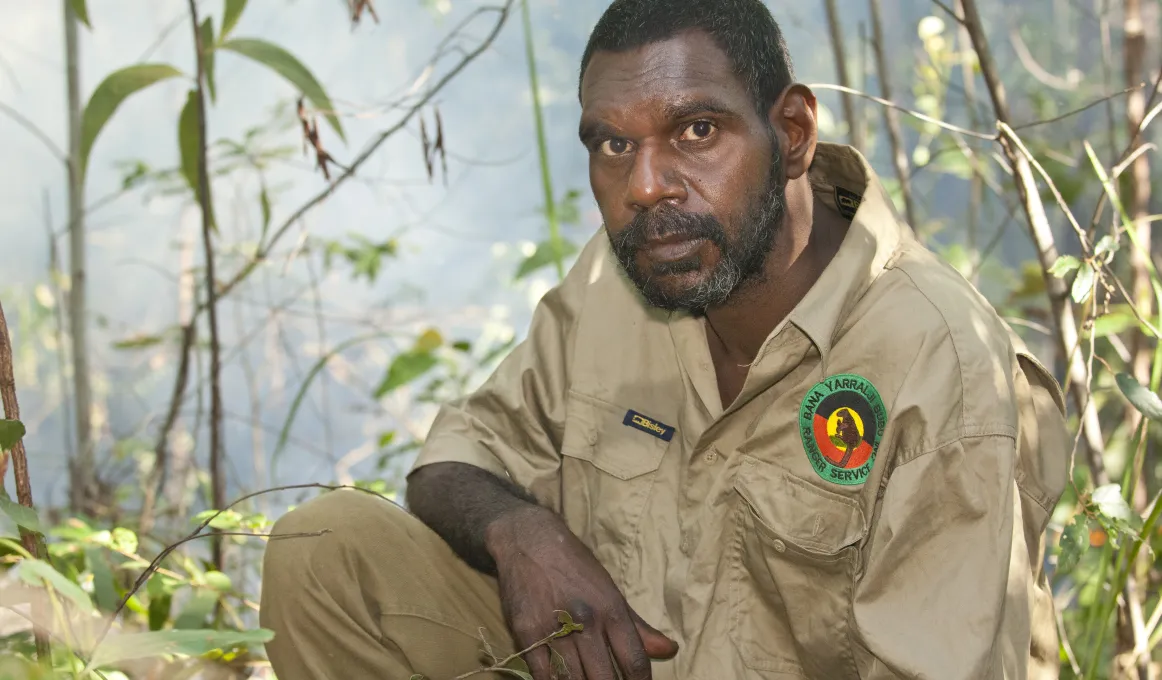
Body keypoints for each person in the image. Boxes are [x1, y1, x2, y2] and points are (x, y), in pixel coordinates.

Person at [259, 0, 1070, 678]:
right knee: (328, 549)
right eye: (615, 145)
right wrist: (523, 534)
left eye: (696, 131)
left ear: (790, 133)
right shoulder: (630, 277)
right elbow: (454, 461)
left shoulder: (940, 361)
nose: (645, 186)